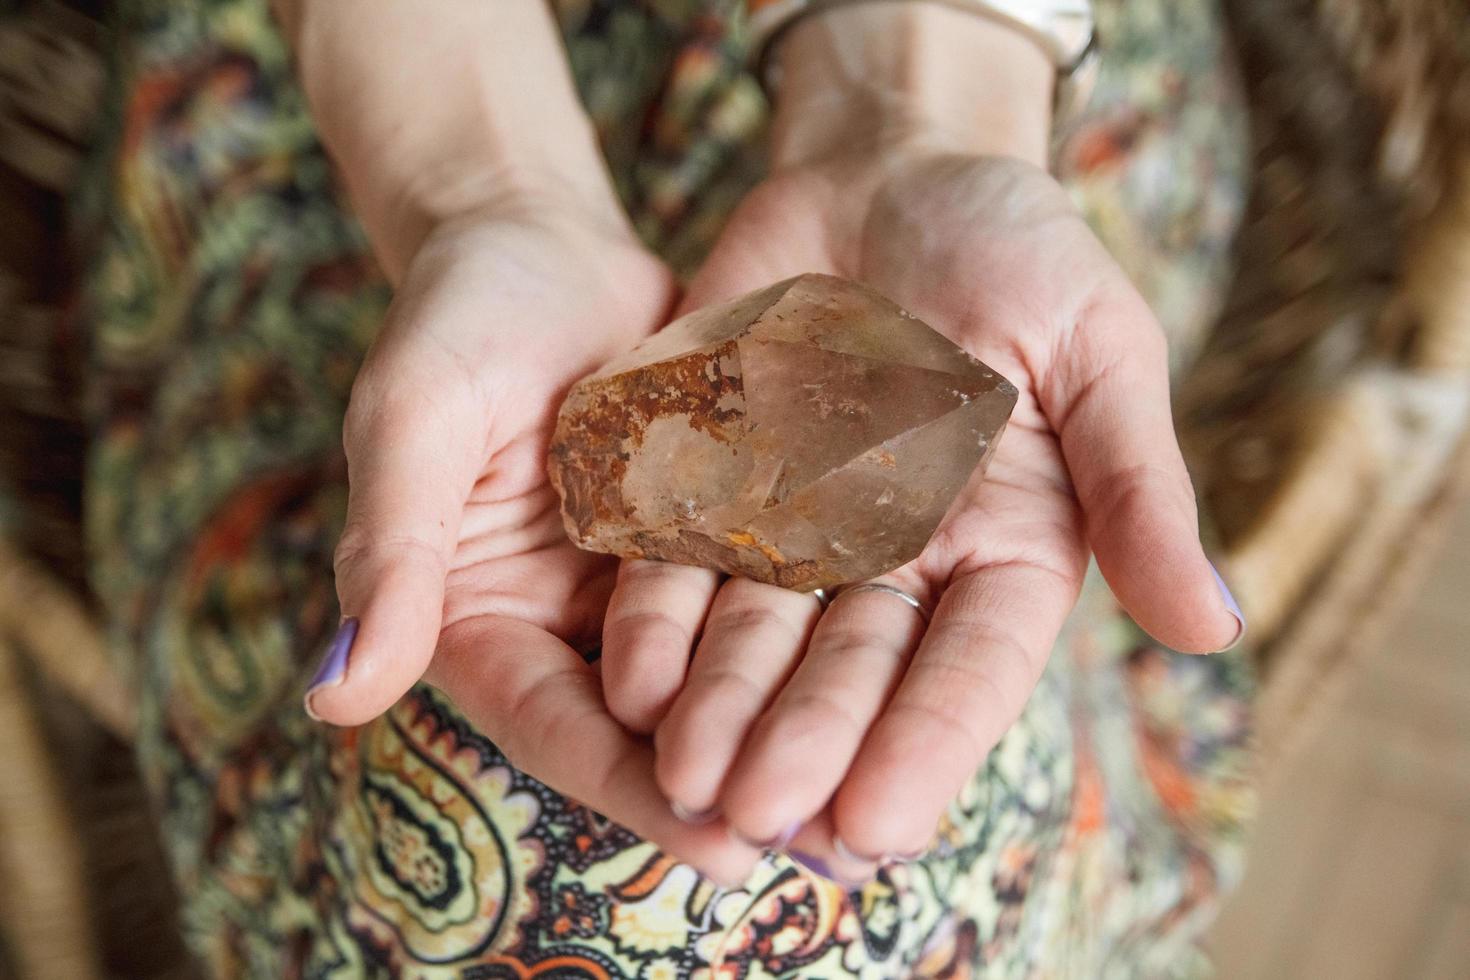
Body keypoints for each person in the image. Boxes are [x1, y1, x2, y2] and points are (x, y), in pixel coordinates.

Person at [81, 0, 1254, 974]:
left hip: (994, 45)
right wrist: (483, 190)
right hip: (360, 86)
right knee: (562, 848)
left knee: (766, 879)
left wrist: (919, 97)